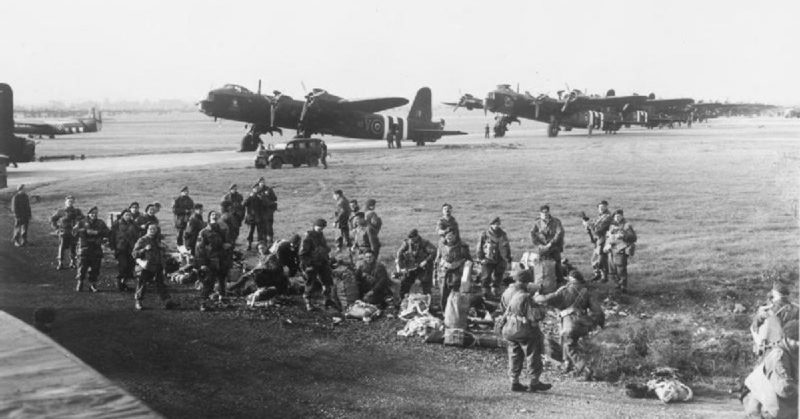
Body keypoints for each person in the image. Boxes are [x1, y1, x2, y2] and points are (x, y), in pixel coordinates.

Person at [534, 270, 605, 380]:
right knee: (568, 341)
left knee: (569, 345)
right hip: (583, 324)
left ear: (570, 279)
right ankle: (567, 365)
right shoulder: (587, 292)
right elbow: (598, 312)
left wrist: (536, 296)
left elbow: (545, 300)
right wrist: (598, 324)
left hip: (569, 324)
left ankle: (585, 369)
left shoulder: (564, 290)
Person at [499, 270, 552, 393]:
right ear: (527, 282)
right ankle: (534, 382)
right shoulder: (525, 296)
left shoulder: (507, 292)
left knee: (514, 354)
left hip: (509, 328)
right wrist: (541, 305)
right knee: (533, 352)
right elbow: (535, 316)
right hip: (523, 329)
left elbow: (502, 308)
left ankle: (514, 382)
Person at [741, 321, 798, 419]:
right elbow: (783, 388)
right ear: (787, 338)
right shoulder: (778, 356)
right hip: (762, 403)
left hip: (775, 403)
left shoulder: (794, 352)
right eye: (796, 340)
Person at [132, 224, 178, 311]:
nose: (152, 230)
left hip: (158, 265)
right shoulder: (142, 240)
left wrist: (164, 250)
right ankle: (138, 301)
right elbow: (134, 254)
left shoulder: (158, 240)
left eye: (154, 229)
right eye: (150, 229)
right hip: (147, 266)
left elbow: (164, 251)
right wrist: (144, 249)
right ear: (147, 230)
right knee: (142, 284)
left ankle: (167, 301)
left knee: (161, 284)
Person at [751, 281, 799, 356]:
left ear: (775, 293)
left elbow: (755, 326)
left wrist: (759, 315)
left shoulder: (768, 309)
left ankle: (760, 349)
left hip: (773, 347)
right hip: (793, 346)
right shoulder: (796, 308)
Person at [195, 211, 232, 308]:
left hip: (222, 259)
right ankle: (203, 303)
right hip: (211, 260)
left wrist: (228, 246)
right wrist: (202, 263)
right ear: (209, 218)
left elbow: (229, 243)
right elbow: (199, 249)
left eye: (217, 215)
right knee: (208, 282)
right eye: (212, 215)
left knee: (222, 281)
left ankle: (223, 300)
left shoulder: (224, 230)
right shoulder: (204, 232)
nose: (215, 216)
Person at [299, 218, 334, 311]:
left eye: (322, 227)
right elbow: (302, 254)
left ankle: (327, 300)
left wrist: (327, 252)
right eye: (319, 227)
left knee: (327, 280)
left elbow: (323, 247)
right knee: (310, 283)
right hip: (312, 264)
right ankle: (308, 302)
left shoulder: (320, 235)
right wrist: (309, 264)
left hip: (322, 262)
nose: (321, 229)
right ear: (314, 226)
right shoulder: (308, 237)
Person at [73, 206, 110, 292]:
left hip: (96, 248)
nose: (94, 215)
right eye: (92, 213)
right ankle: (80, 282)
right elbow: (74, 232)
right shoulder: (81, 222)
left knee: (95, 268)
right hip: (84, 247)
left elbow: (108, 232)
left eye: (95, 213)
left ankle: (93, 285)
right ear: (88, 214)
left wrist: (97, 232)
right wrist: (85, 231)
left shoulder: (101, 223)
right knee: (82, 267)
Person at [435, 230, 472, 311]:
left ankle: (454, 311)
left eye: (451, 235)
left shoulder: (462, 246)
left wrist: (459, 263)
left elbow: (468, 260)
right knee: (443, 293)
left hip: (457, 274)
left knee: (455, 294)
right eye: (447, 235)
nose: (449, 237)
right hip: (444, 274)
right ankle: (443, 310)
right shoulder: (441, 245)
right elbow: (437, 259)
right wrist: (443, 263)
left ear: (455, 236)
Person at [395, 228, 437, 300]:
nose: (411, 240)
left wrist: (426, 261)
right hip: (411, 267)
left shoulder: (425, 243)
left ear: (417, 236)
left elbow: (434, 252)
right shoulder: (406, 243)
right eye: (410, 238)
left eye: (413, 237)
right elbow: (399, 253)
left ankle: (427, 302)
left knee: (426, 285)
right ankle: (402, 301)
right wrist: (401, 267)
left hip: (424, 267)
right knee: (405, 283)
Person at [476, 217, 511, 298]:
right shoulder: (484, 234)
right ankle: (485, 292)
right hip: (488, 259)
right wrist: (481, 258)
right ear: (491, 225)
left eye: (498, 224)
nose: (496, 226)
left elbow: (507, 247)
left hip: (500, 258)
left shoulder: (503, 234)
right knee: (486, 276)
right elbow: (479, 247)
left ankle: (495, 290)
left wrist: (508, 258)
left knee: (499, 275)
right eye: (495, 224)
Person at [604, 209, 637, 293]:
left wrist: (623, 235)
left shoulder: (626, 225)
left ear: (622, 216)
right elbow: (608, 237)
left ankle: (623, 288)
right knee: (612, 271)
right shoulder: (611, 226)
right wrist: (606, 246)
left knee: (621, 270)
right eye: (616, 216)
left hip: (620, 250)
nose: (617, 218)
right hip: (611, 251)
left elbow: (633, 237)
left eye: (619, 216)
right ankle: (616, 286)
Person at [530, 205, 565, 282]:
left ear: (549, 212)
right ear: (540, 213)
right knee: (541, 265)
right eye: (543, 212)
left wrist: (550, 244)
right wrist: (539, 245)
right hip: (542, 248)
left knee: (557, 265)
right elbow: (532, 234)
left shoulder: (556, 221)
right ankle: (542, 282)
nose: (545, 214)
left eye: (546, 212)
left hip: (554, 247)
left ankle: (560, 281)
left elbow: (559, 233)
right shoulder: (537, 223)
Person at [50, 195, 84, 270]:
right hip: (64, 231)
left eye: (72, 201)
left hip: (74, 232)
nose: (70, 203)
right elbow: (53, 219)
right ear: (65, 202)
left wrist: (79, 226)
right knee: (62, 247)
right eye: (69, 201)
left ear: (74, 202)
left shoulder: (77, 211)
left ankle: (73, 262)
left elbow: (83, 220)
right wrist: (57, 229)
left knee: (73, 247)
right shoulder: (61, 211)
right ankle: (60, 262)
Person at [583, 200, 613, 282]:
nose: (602, 208)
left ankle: (604, 277)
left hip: (604, 239)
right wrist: (588, 223)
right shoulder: (600, 216)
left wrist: (589, 224)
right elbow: (595, 225)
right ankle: (597, 274)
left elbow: (598, 229)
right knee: (594, 259)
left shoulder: (608, 217)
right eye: (600, 207)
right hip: (598, 239)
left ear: (607, 207)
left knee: (601, 259)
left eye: (603, 207)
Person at [114, 210, 140, 291]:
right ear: (122, 215)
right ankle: (118, 282)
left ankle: (124, 283)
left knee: (130, 266)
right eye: (126, 215)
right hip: (121, 248)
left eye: (129, 215)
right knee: (123, 266)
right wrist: (114, 247)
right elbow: (112, 235)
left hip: (131, 248)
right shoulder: (117, 224)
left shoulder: (134, 224)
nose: (128, 216)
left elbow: (138, 234)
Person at [243, 185, 263, 250]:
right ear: (253, 189)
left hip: (258, 217)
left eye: (257, 188)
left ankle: (259, 246)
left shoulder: (260, 196)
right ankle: (249, 245)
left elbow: (264, 205)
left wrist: (261, 198)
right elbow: (244, 204)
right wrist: (249, 197)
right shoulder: (249, 196)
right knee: (250, 231)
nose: (256, 189)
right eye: (255, 188)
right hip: (250, 217)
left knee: (260, 232)